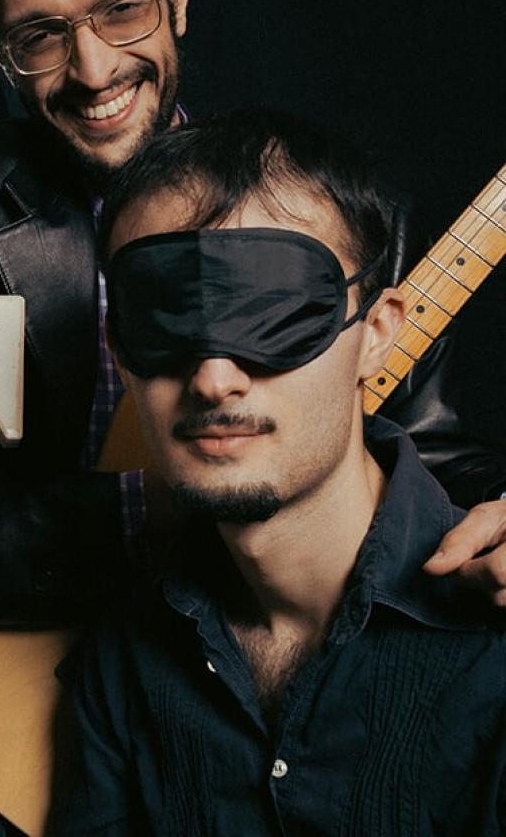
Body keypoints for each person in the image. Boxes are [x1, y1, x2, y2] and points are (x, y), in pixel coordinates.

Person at [0, 0, 506, 629]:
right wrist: (148, 511)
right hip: (57, 656)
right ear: (1, 55)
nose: (93, 70)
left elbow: (436, 459)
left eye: (123, 9)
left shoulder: (331, 210)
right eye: (40, 37)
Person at [57, 109, 505, 834]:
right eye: (165, 315)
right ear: (119, 352)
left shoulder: (492, 649)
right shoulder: (123, 663)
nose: (214, 380)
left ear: (378, 335)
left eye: (273, 310)